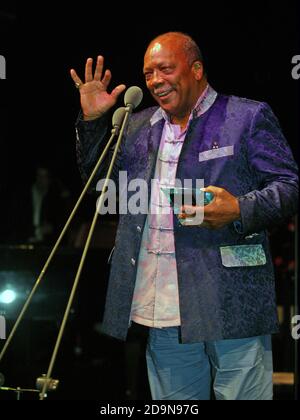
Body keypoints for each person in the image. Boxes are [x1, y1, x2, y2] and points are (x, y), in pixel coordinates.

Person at [71, 32, 298, 400]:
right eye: (148, 74)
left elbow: (289, 186)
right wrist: (95, 122)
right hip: (161, 302)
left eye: (165, 69)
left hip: (230, 301)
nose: (155, 80)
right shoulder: (136, 126)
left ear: (196, 69)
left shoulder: (246, 117)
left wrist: (240, 208)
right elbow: (100, 184)